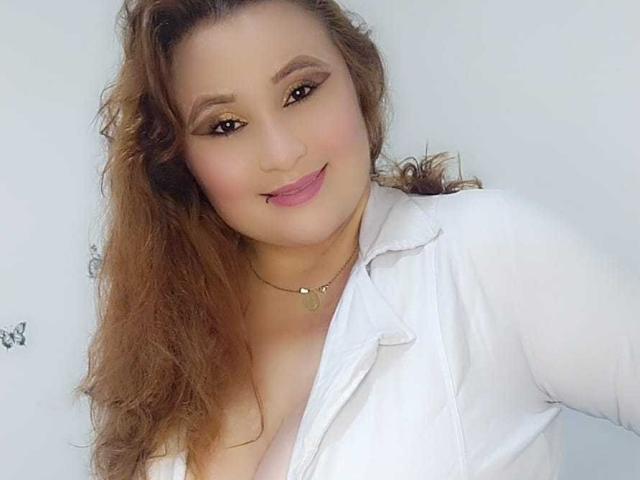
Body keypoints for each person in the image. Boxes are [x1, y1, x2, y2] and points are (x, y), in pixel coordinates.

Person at [76, 0, 640, 479]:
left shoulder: (485, 255)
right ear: (178, 159)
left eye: (300, 91)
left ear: (356, 78)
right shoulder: (166, 342)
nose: (282, 152)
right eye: (226, 125)